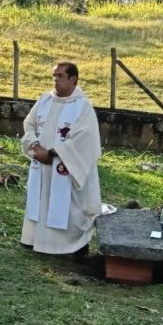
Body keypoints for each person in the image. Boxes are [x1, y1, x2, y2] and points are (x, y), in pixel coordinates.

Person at [20, 61, 102, 256]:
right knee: (40, 199)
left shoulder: (82, 106)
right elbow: (29, 124)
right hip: (42, 163)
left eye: (60, 76)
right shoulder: (45, 99)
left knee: (71, 205)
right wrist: (36, 147)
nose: (55, 80)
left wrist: (52, 153)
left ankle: (75, 247)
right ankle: (36, 240)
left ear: (73, 79)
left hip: (66, 166)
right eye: (54, 76)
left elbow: (85, 138)